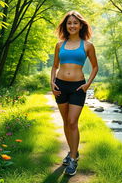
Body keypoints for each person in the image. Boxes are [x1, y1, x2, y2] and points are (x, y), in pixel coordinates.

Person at [50, 10, 98, 176]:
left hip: (78, 87)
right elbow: (55, 66)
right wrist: (52, 82)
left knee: (72, 121)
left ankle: (73, 159)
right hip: (60, 86)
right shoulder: (59, 45)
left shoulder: (88, 45)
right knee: (65, 121)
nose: (72, 25)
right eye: (69, 23)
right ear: (66, 25)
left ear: (80, 25)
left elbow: (95, 67)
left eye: (75, 23)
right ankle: (72, 152)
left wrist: (87, 85)